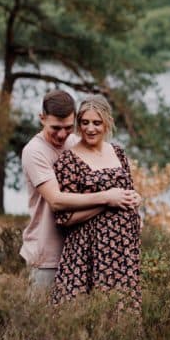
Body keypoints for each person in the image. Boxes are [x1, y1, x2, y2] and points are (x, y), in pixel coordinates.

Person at [19, 89, 140, 290]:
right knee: (41, 319)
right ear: (42, 119)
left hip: (83, 252)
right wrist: (107, 199)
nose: (62, 134)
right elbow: (56, 200)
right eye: (55, 128)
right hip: (47, 254)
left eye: (68, 127)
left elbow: (109, 174)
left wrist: (131, 199)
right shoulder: (35, 152)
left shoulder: (75, 142)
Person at [51, 95, 142, 310]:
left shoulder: (118, 152)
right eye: (85, 123)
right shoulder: (68, 160)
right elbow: (64, 218)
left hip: (124, 252)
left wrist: (135, 198)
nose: (90, 129)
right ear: (78, 125)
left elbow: (126, 192)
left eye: (97, 123)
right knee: (86, 316)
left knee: (123, 314)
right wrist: (107, 201)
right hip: (87, 253)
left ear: (107, 123)